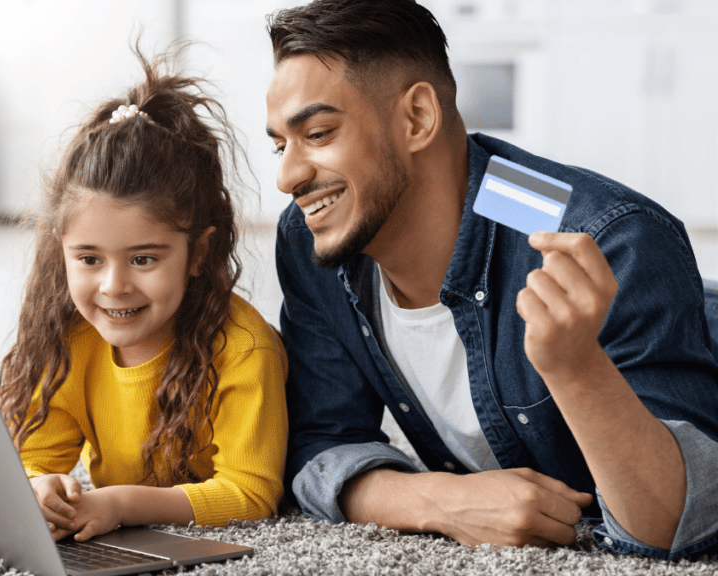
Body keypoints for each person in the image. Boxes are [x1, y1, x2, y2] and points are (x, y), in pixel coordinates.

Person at [265, 0, 718, 561]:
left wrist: (575, 366)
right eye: (280, 144)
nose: (287, 176)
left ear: (417, 119)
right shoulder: (314, 240)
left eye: (318, 132)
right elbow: (318, 441)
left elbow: (678, 526)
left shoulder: (604, 239)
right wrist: (436, 499)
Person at [0, 47, 288, 543]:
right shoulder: (71, 337)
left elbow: (250, 494)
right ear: (60, 251)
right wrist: (40, 486)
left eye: (144, 259)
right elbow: (35, 455)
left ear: (198, 253)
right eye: (89, 259)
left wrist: (121, 503)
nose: (114, 286)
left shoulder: (243, 349)